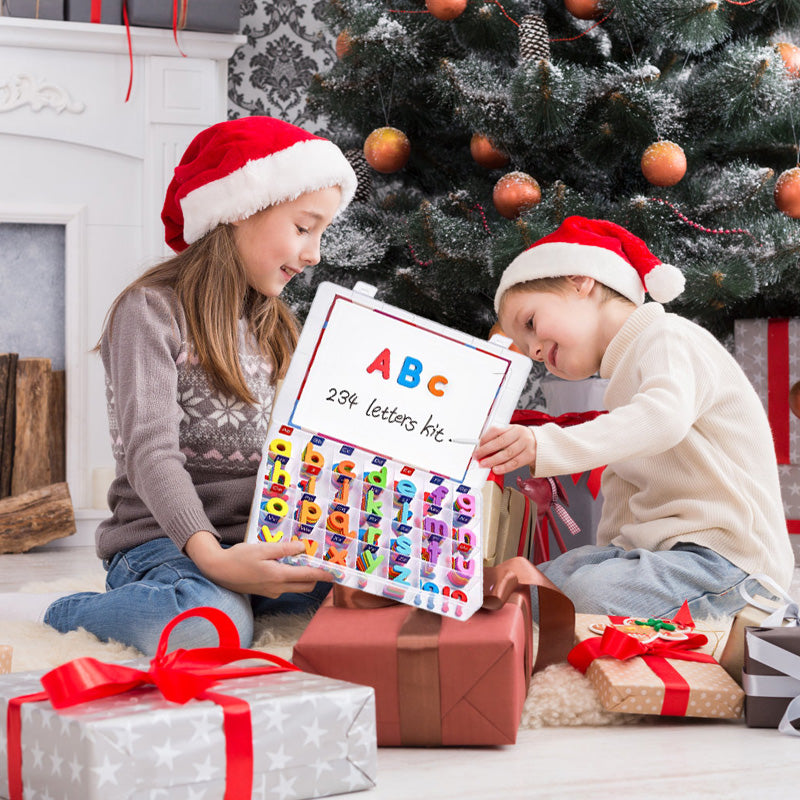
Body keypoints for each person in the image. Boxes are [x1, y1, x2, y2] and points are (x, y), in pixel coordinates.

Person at [20, 116, 358, 655]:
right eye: (303, 227)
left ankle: (236, 597)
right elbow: (151, 452)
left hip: (255, 543)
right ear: (239, 212)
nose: (315, 253)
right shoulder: (149, 311)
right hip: (165, 544)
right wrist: (216, 561)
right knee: (207, 627)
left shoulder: (276, 325)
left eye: (321, 234)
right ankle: (73, 612)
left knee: (373, 604)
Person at [475, 215, 794, 620]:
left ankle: (771, 615)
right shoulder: (622, 385)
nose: (535, 351)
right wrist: (607, 557)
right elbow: (623, 494)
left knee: (583, 596)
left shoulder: (669, 337)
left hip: (730, 561)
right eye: (528, 347)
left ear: (579, 280)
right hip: (668, 556)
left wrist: (546, 443)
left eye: (531, 324)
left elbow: (663, 418)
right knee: (540, 584)